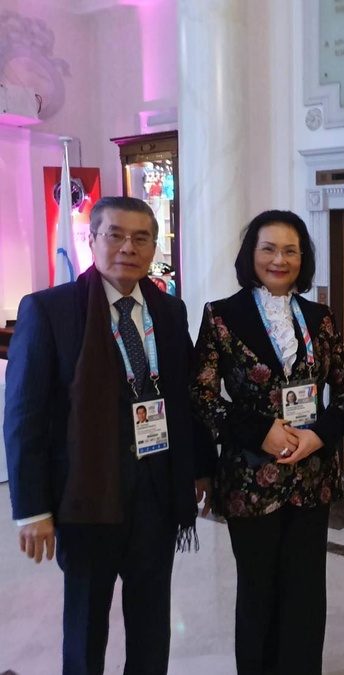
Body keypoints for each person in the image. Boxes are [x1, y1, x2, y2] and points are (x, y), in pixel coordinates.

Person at [4, 196, 215, 674]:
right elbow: (23, 416)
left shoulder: (168, 309)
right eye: (115, 235)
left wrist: (199, 468)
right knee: (85, 626)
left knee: (151, 624)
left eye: (141, 238)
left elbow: (185, 398)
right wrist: (32, 509)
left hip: (156, 496)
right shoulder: (50, 310)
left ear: (154, 246)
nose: (128, 247)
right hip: (86, 499)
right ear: (92, 239)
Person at [190, 209, 344, 675]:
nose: (279, 259)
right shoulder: (222, 315)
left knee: (305, 592)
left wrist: (319, 434)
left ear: (303, 258)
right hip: (249, 478)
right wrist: (257, 430)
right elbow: (199, 394)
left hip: (311, 476)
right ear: (251, 254)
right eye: (269, 248)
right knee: (258, 590)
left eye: (290, 250)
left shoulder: (320, 318)